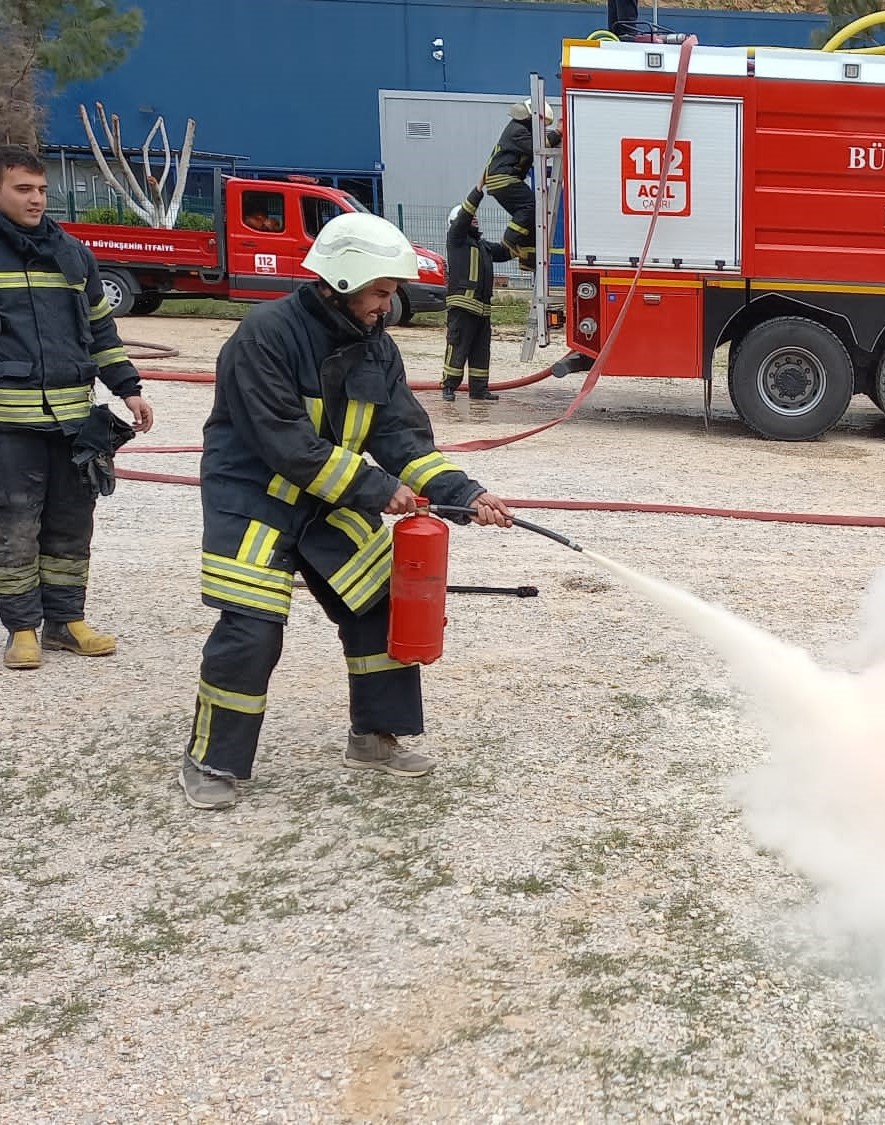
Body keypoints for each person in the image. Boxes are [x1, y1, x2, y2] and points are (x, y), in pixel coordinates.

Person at [178, 211, 514, 811]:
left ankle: (373, 737)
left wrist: (464, 493)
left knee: (379, 605)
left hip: (330, 500)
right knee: (251, 631)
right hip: (254, 499)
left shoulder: (376, 350)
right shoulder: (265, 336)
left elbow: (403, 438)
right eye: (381, 291)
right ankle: (211, 760)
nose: (389, 304)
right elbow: (283, 441)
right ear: (341, 280)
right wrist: (374, 488)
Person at [0, 144, 155, 672]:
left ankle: (66, 622)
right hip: (9, 425)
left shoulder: (71, 253)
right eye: (23, 189)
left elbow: (100, 330)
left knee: (71, 524)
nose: (37, 199)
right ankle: (22, 628)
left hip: (72, 421)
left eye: (41, 189)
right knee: (16, 524)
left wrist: (127, 385)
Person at [440, 183, 513, 403]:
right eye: (471, 218)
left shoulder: (483, 246)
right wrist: (478, 191)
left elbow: (506, 251)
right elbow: (465, 215)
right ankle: (449, 386)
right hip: (463, 306)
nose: (475, 219)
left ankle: (479, 389)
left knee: (481, 350)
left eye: (476, 218)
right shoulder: (456, 239)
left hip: (482, 310)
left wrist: (525, 233)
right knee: (458, 346)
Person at [481, 98, 560, 272]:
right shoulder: (517, 130)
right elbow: (536, 148)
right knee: (530, 205)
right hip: (504, 178)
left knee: (532, 219)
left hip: (503, 178)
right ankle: (509, 241)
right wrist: (558, 133)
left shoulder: (520, 130)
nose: (541, 129)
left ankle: (528, 258)